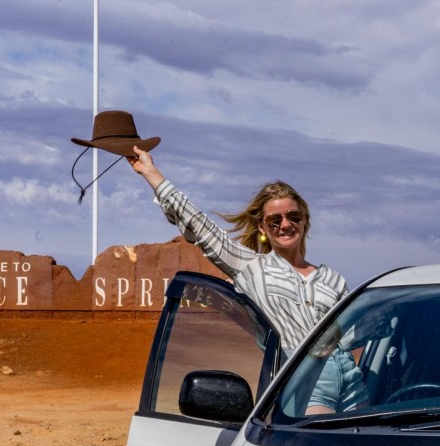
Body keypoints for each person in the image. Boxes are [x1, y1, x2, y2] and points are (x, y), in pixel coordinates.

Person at [123, 143, 367, 414]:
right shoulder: (251, 267)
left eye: (293, 216)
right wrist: (152, 173)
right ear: (263, 228)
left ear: (305, 220)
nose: (285, 225)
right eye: (274, 221)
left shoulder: (332, 279)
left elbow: (352, 335)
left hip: (351, 378)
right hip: (304, 378)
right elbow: (201, 226)